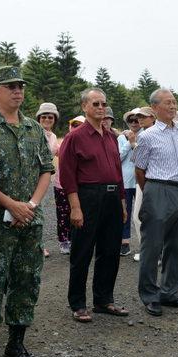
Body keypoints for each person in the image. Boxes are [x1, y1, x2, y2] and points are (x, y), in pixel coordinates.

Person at [0, 66, 54, 357]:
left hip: (30, 220)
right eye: (10, 86)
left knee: (27, 281)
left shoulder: (34, 128)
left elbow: (46, 169)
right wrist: (11, 205)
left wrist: (30, 205)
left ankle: (16, 345)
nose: (17, 90)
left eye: (20, 85)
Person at [59, 87, 129, 323]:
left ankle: (103, 300)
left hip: (111, 198)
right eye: (95, 104)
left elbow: (118, 173)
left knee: (110, 251)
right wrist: (75, 207)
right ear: (84, 107)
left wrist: (122, 203)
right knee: (82, 252)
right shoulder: (74, 137)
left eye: (103, 104)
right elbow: (67, 176)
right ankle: (78, 303)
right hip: (87, 198)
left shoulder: (112, 137)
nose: (101, 108)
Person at [134, 88, 178, 317]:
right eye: (167, 102)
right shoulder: (147, 136)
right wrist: (151, 192)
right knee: (152, 245)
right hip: (158, 189)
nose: (172, 106)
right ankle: (150, 295)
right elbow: (140, 170)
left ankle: (170, 292)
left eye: (174, 102)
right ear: (155, 108)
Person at [54, 115, 86, 255]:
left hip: (79, 185)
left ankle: (76, 239)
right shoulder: (65, 141)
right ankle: (64, 240)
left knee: (78, 213)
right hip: (61, 185)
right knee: (63, 214)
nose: (76, 128)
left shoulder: (86, 143)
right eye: (74, 125)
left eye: (80, 125)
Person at [130, 107, 157, 262]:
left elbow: (139, 164)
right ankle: (149, 250)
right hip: (144, 179)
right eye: (138, 116)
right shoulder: (142, 134)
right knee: (142, 217)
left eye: (143, 116)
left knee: (140, 216)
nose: (139, 119)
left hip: (148, 180)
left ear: (152, 117)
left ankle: (150, 252)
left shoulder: (146, 135)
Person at [36, 102, 61, 258]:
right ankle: (36, 246)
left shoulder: (52, 137)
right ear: (39, 118)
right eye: (44, 116)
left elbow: (60, 152)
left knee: (39, 211)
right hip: (31, 177)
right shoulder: (34, 132)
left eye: (50, 117)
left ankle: (39, 245)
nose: (47, 119)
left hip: (44, 179)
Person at [117, 108, 142, 256]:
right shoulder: (121, 138)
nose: (134, 123)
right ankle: (124, 242)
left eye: (137, 120)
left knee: (141, 215)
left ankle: (144, 245)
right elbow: (118, 158)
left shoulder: (146, 135)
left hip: (141, 182)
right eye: (131, 120)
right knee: (124, 214)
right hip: (126, 181)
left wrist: (135, 142)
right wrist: (129, 142)